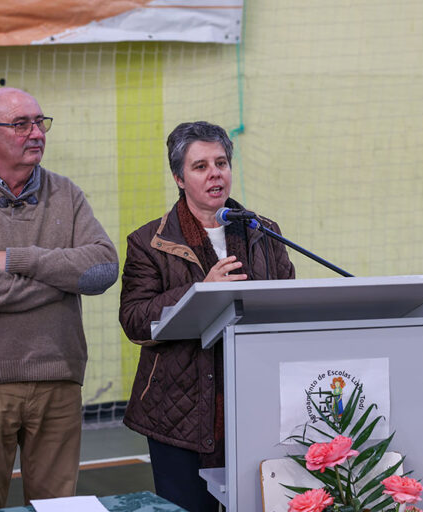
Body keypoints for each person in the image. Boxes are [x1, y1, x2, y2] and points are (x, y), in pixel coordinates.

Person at [0, 87, 118, 509]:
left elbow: (104, 268)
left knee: (56, 507)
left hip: (59, 381)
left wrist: (20, 259)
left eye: (40, 122)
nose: (36, 133)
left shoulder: (66, 194)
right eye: (21, 124)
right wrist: (62, 280)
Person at [119, 121, 295, 512]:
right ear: (179, 178)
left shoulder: (264, 232)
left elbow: (288, 302)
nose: (215, 173)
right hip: (177, 415)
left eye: (221, 163)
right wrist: (200, 291)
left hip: (256, 404)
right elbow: (134, 320)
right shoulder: (149, 242)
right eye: (201, 166)